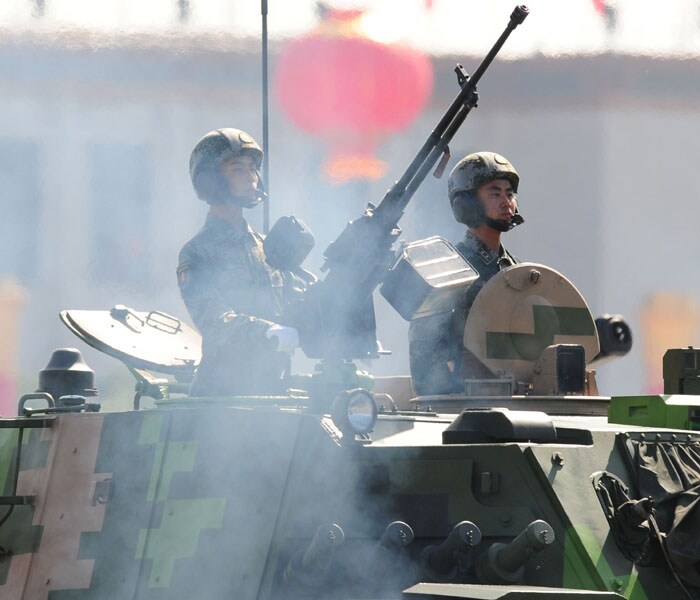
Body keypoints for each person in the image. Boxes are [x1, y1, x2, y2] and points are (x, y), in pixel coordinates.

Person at [176, 128, 306, 396]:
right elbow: (214, 320)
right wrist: (266, 331)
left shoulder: (267, 248)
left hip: (273, 391)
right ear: (211, 182)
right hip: (220, 400)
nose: (251, 178)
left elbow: (298, 302)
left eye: (252, 169)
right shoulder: (197, 252)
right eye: (238, 169)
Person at [408, 151, 524, 395]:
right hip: (464, 412)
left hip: (518, 403)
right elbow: (427, 372)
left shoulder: (517, 272)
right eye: (495, 193)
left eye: (509, 193)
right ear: (467, 204)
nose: (506, 202)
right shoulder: (448, 271)